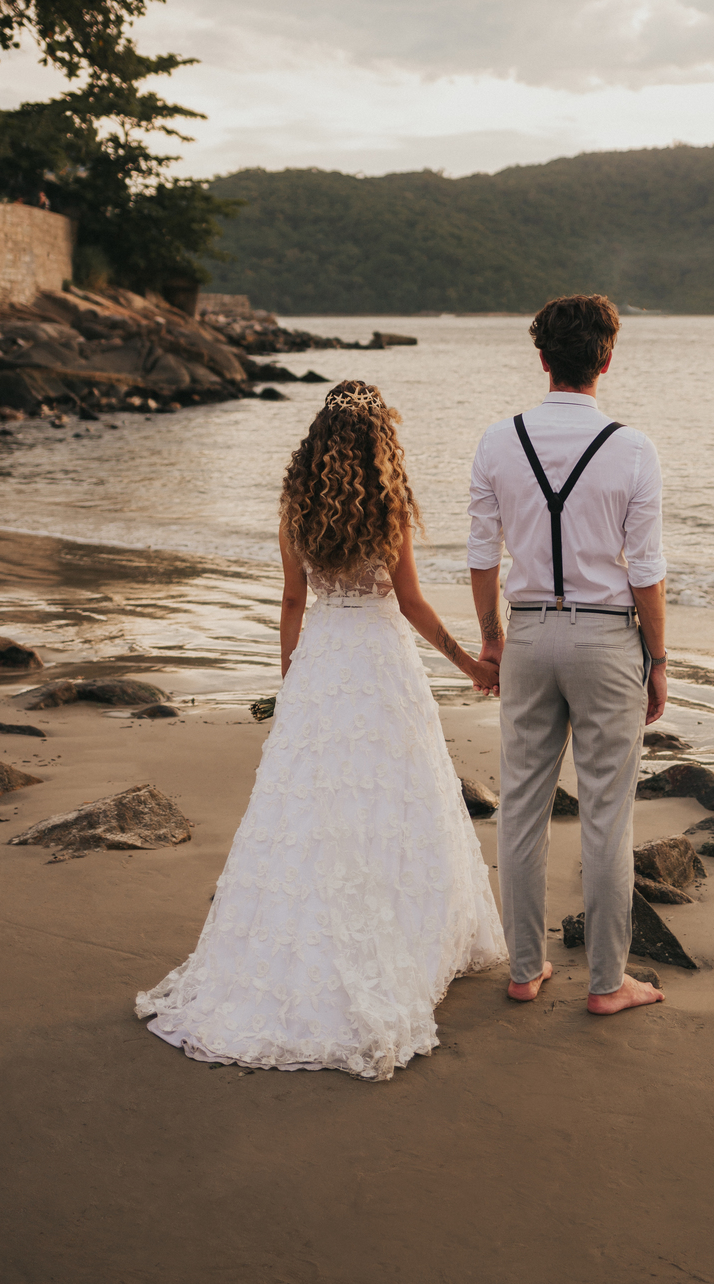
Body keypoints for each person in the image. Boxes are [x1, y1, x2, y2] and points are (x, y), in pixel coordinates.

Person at [136, 382, 506, 1081]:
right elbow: (410, 601)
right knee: (397, 799)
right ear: (380, 449)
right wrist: (468, 662)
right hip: (380, 663)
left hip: (322, 664)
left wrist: (292, 686)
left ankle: (302, 947)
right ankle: (407, 934)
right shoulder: (389, 505)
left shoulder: (295, 509)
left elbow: (291, 601)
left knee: (309, 810)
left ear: (312, 450)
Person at [468, 295, 668, 1016]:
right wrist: (660, 657)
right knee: (607, 815)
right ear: (606, 359)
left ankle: (525, 970)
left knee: (520, 806)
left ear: (543, 359)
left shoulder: (498, 441)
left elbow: (480, 554)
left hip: (526, 632)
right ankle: (609, 985)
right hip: (606, 638)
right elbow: (644, 569)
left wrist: (491, 637)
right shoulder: (634, 448)